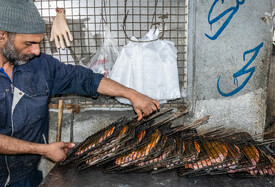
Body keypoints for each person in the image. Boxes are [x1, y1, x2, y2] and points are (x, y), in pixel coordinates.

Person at [0, 0, 160, 186]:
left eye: (39, 43)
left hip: (26, 177)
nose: (36, 51)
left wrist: (131, 94)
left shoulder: (40, 66)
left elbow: (83, 79)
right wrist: (43, 149)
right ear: (2, 35)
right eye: (29, 43)